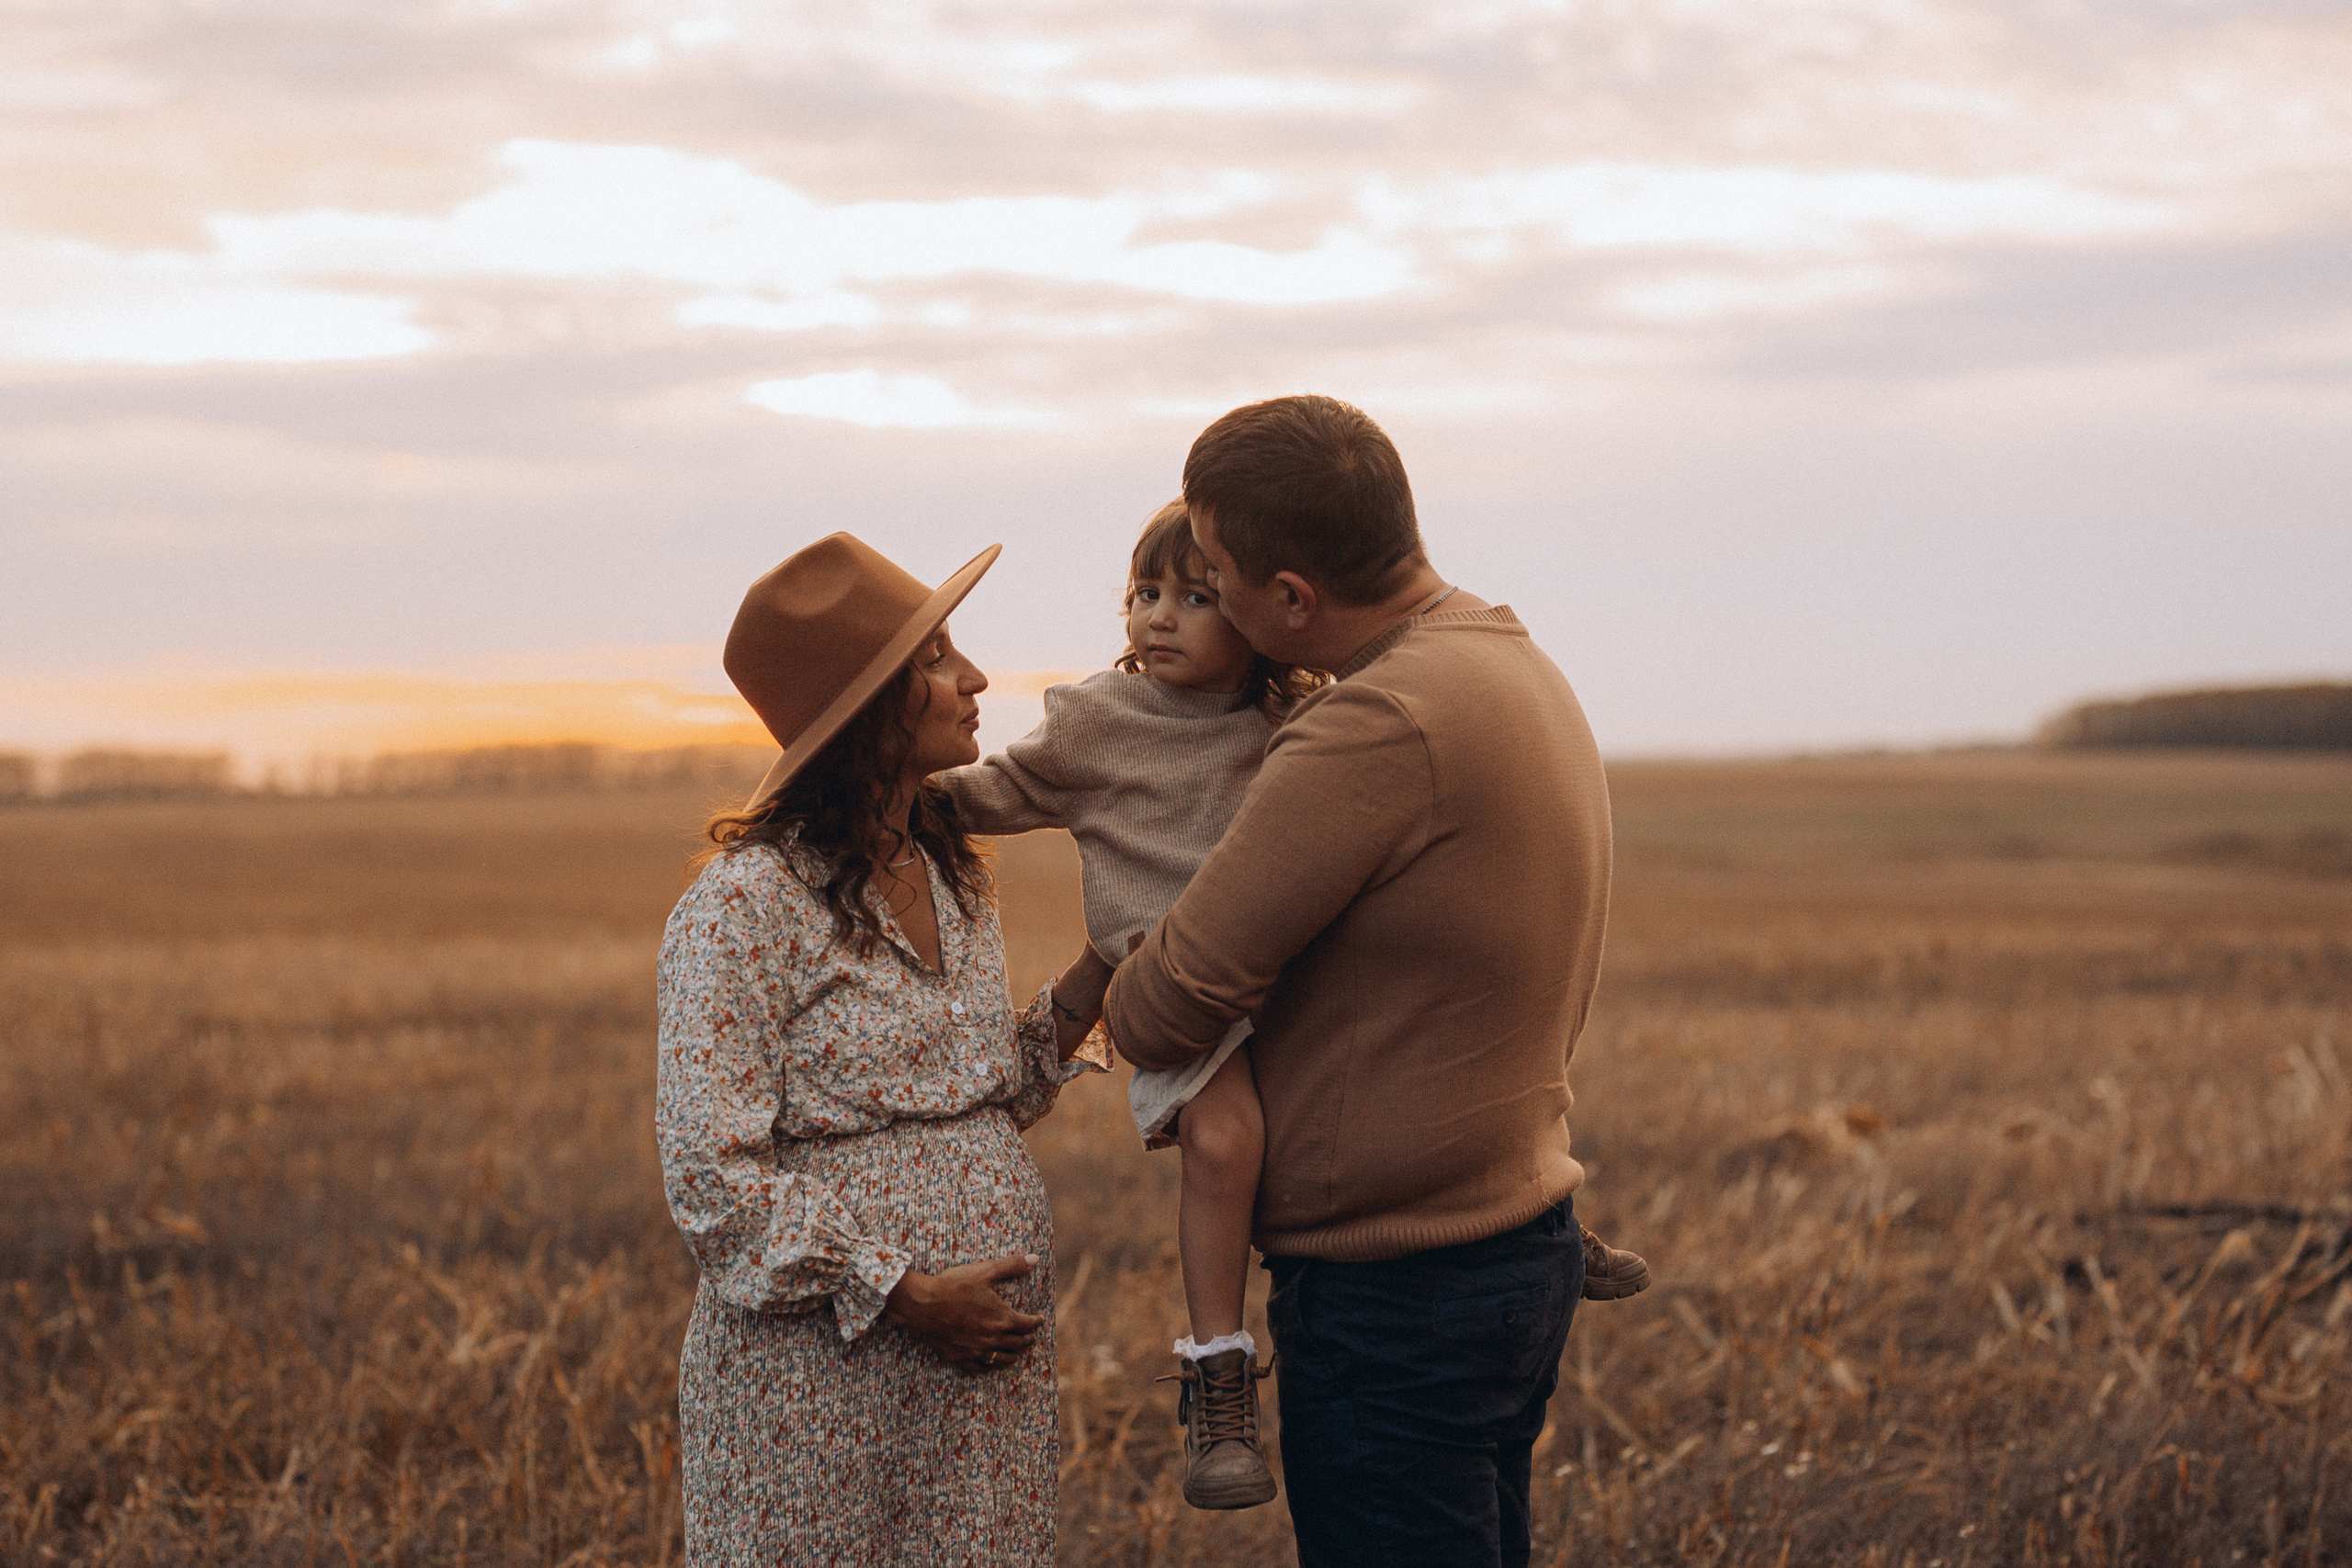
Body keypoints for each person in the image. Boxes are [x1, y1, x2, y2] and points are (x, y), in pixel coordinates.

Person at [1103, 395, 1643, 1568]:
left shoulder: (1374, 726)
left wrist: (1119, 940)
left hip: (1400, 1297)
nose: (1203, 594)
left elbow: (1163, 1009)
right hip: (1513, 1246)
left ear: (1293, 599)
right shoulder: (1504, 657)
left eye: (1218, 576)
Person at [655, 533, 1111, 1568]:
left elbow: (979, 1091)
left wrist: (1109, 959)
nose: (975, 677)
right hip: (816, 1377)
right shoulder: (740, 909)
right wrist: (903, 1290)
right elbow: (710, 1179)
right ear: (868, 706)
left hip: (978, 1378)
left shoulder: (953, 874)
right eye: (938, 657)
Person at [933, 498, 1324, 1510]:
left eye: (1194, 598)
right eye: (1144, 594)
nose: (1159, 617)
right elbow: (990, 794)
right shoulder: (1096, 725)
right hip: (1171, 985)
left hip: (1286, 976)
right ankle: (1217, 1375)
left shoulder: (1293, 724)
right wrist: (872, 797)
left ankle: (1525, 1217)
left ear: (1255, 616)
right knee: (1227, 1142)